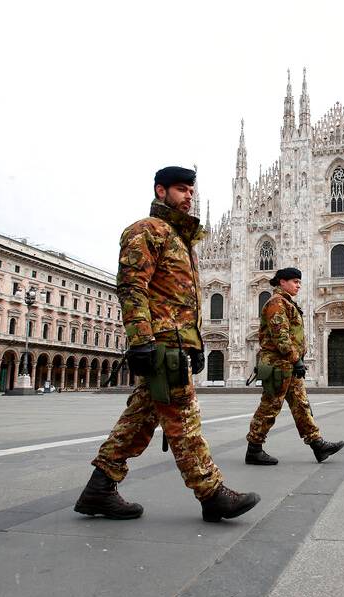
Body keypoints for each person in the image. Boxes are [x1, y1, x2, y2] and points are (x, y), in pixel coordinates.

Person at [74, 166, 260, 522]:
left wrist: (196, 343)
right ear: (161, 191)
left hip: (176, 344)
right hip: (160, 346)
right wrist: (140, 340)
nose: (188, 195)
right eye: (180, 189)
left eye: (191, 190)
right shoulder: (147, 231)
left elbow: (184, 301)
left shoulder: (182, 240)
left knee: (140, 419)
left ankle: (99, 488)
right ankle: (211, 493)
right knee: (184, 420)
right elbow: (132, 287)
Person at [245, 267, 344, 465]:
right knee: (270, 406)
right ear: (282, 282)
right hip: (278, 365)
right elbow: (280, 336)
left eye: (299, 282)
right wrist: (296, 359)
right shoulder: (276, 303)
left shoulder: (287, 302)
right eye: (295, 281)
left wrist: (296, 359)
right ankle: (254, 449)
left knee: (301, 405)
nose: (298, 285)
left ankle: (318, 445)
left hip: (288, 364)